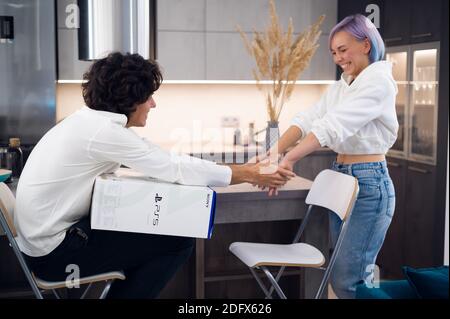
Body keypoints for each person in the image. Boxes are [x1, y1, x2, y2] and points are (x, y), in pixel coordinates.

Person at [14, 52, 294, 299]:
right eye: (148, 96)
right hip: (55, 255)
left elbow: (160, 162)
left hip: (43, 245)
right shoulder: (104, 132)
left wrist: (245, 171)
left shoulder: (89, 123)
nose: (153, 104)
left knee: (147, 232)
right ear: (130, 98)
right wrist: (246, 173)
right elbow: (172, 166)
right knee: (178, 240)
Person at [261, 14, 399, 298]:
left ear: (365, 44)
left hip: (369, 184)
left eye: (343, 49)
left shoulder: (378, 82)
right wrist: (273, 152)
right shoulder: (344, 85)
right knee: (350, 275)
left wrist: (290, 158)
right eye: (334, 52)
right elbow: (310, 117)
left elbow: (333, 126)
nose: (338, 58)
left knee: (349, 280)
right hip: (344, 178)